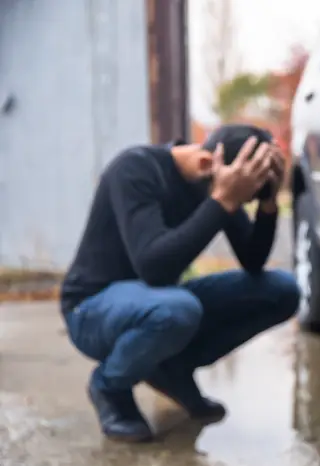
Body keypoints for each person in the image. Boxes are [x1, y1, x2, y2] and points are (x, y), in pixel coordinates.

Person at [59, 124, 300, 443]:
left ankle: (172, 369)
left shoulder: (215, 182)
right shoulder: (135, 170)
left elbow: (253, 260)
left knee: (282, 290)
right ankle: (110, 387)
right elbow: (153, 267)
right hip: (91, 308)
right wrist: (223, 200)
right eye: (241, 199)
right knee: (178, 310)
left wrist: (268, 204)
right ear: (206, 164)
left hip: (155, 303)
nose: (236, 206)